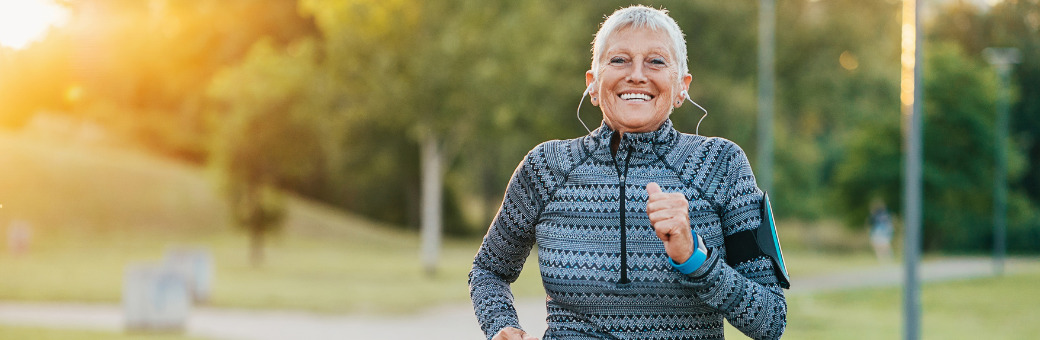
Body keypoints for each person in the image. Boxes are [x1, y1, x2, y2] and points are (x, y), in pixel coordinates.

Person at [469, 5, 788, 339]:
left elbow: (770, 321)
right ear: (593, 84)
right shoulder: (546, 167)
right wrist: (501, 326)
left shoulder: (721, 163)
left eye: (656, 61)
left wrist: (694, 257)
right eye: (619, 60)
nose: (637, 74)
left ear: (682, 86)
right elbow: (488, 270)